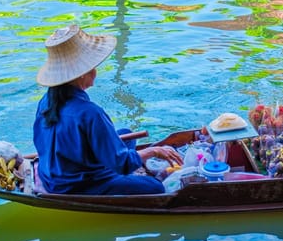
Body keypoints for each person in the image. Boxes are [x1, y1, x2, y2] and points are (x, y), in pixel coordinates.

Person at [33, 24, 182, 195]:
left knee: (126, 133)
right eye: (93, 67)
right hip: (76, 183)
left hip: (53, 172)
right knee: (155, 187)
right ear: (82, 73)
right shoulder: (90, 113)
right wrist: (154, 150)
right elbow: (121, 163)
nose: (95, 71)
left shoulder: (46, 101)